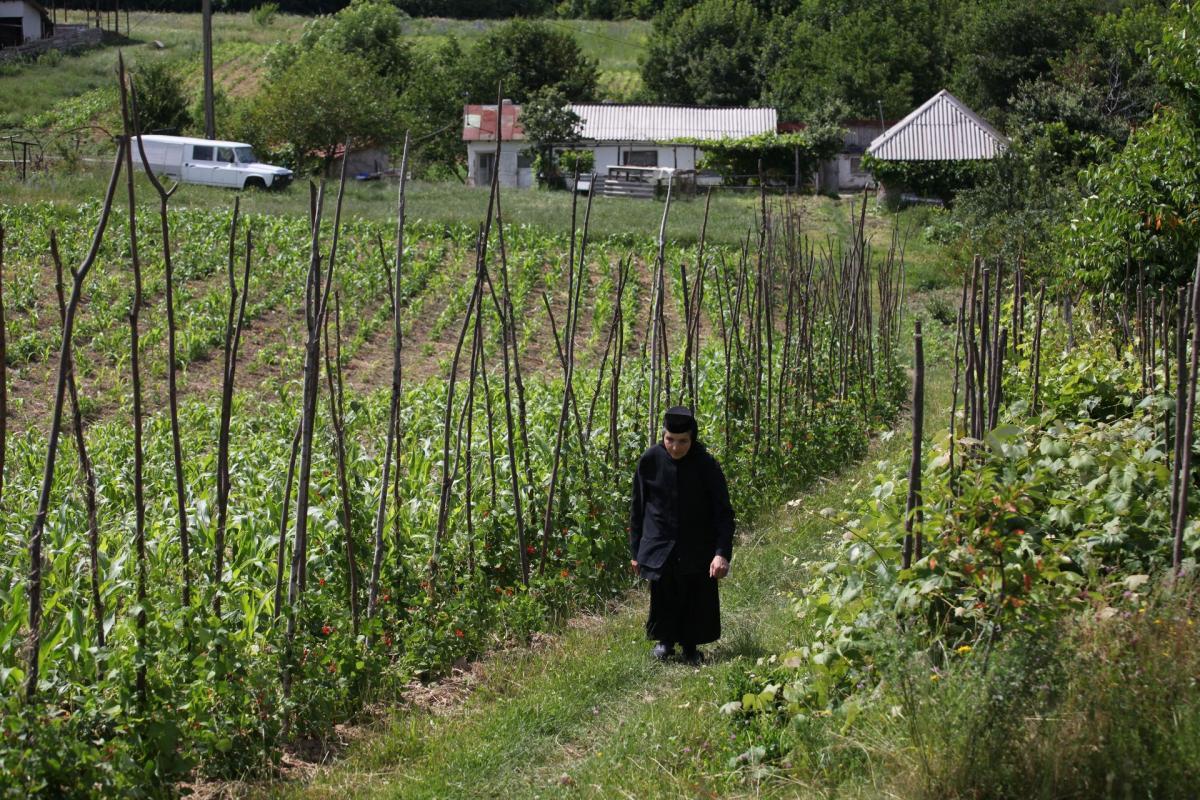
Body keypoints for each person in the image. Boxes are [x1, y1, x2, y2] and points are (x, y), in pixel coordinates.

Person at [629, 406, 735, 664]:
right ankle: (665, 643)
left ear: (693, 438)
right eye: (670, 440)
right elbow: (637, 508)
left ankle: (690, 647)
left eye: (682, 441)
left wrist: (721, 553)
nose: (675, 447)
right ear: (663, 436)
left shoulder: (706, 465)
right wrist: (636, 552)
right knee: (664, 591)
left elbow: (723, 514)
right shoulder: (650, 461)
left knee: (694, 592)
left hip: (697, 543)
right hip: (659, 542)